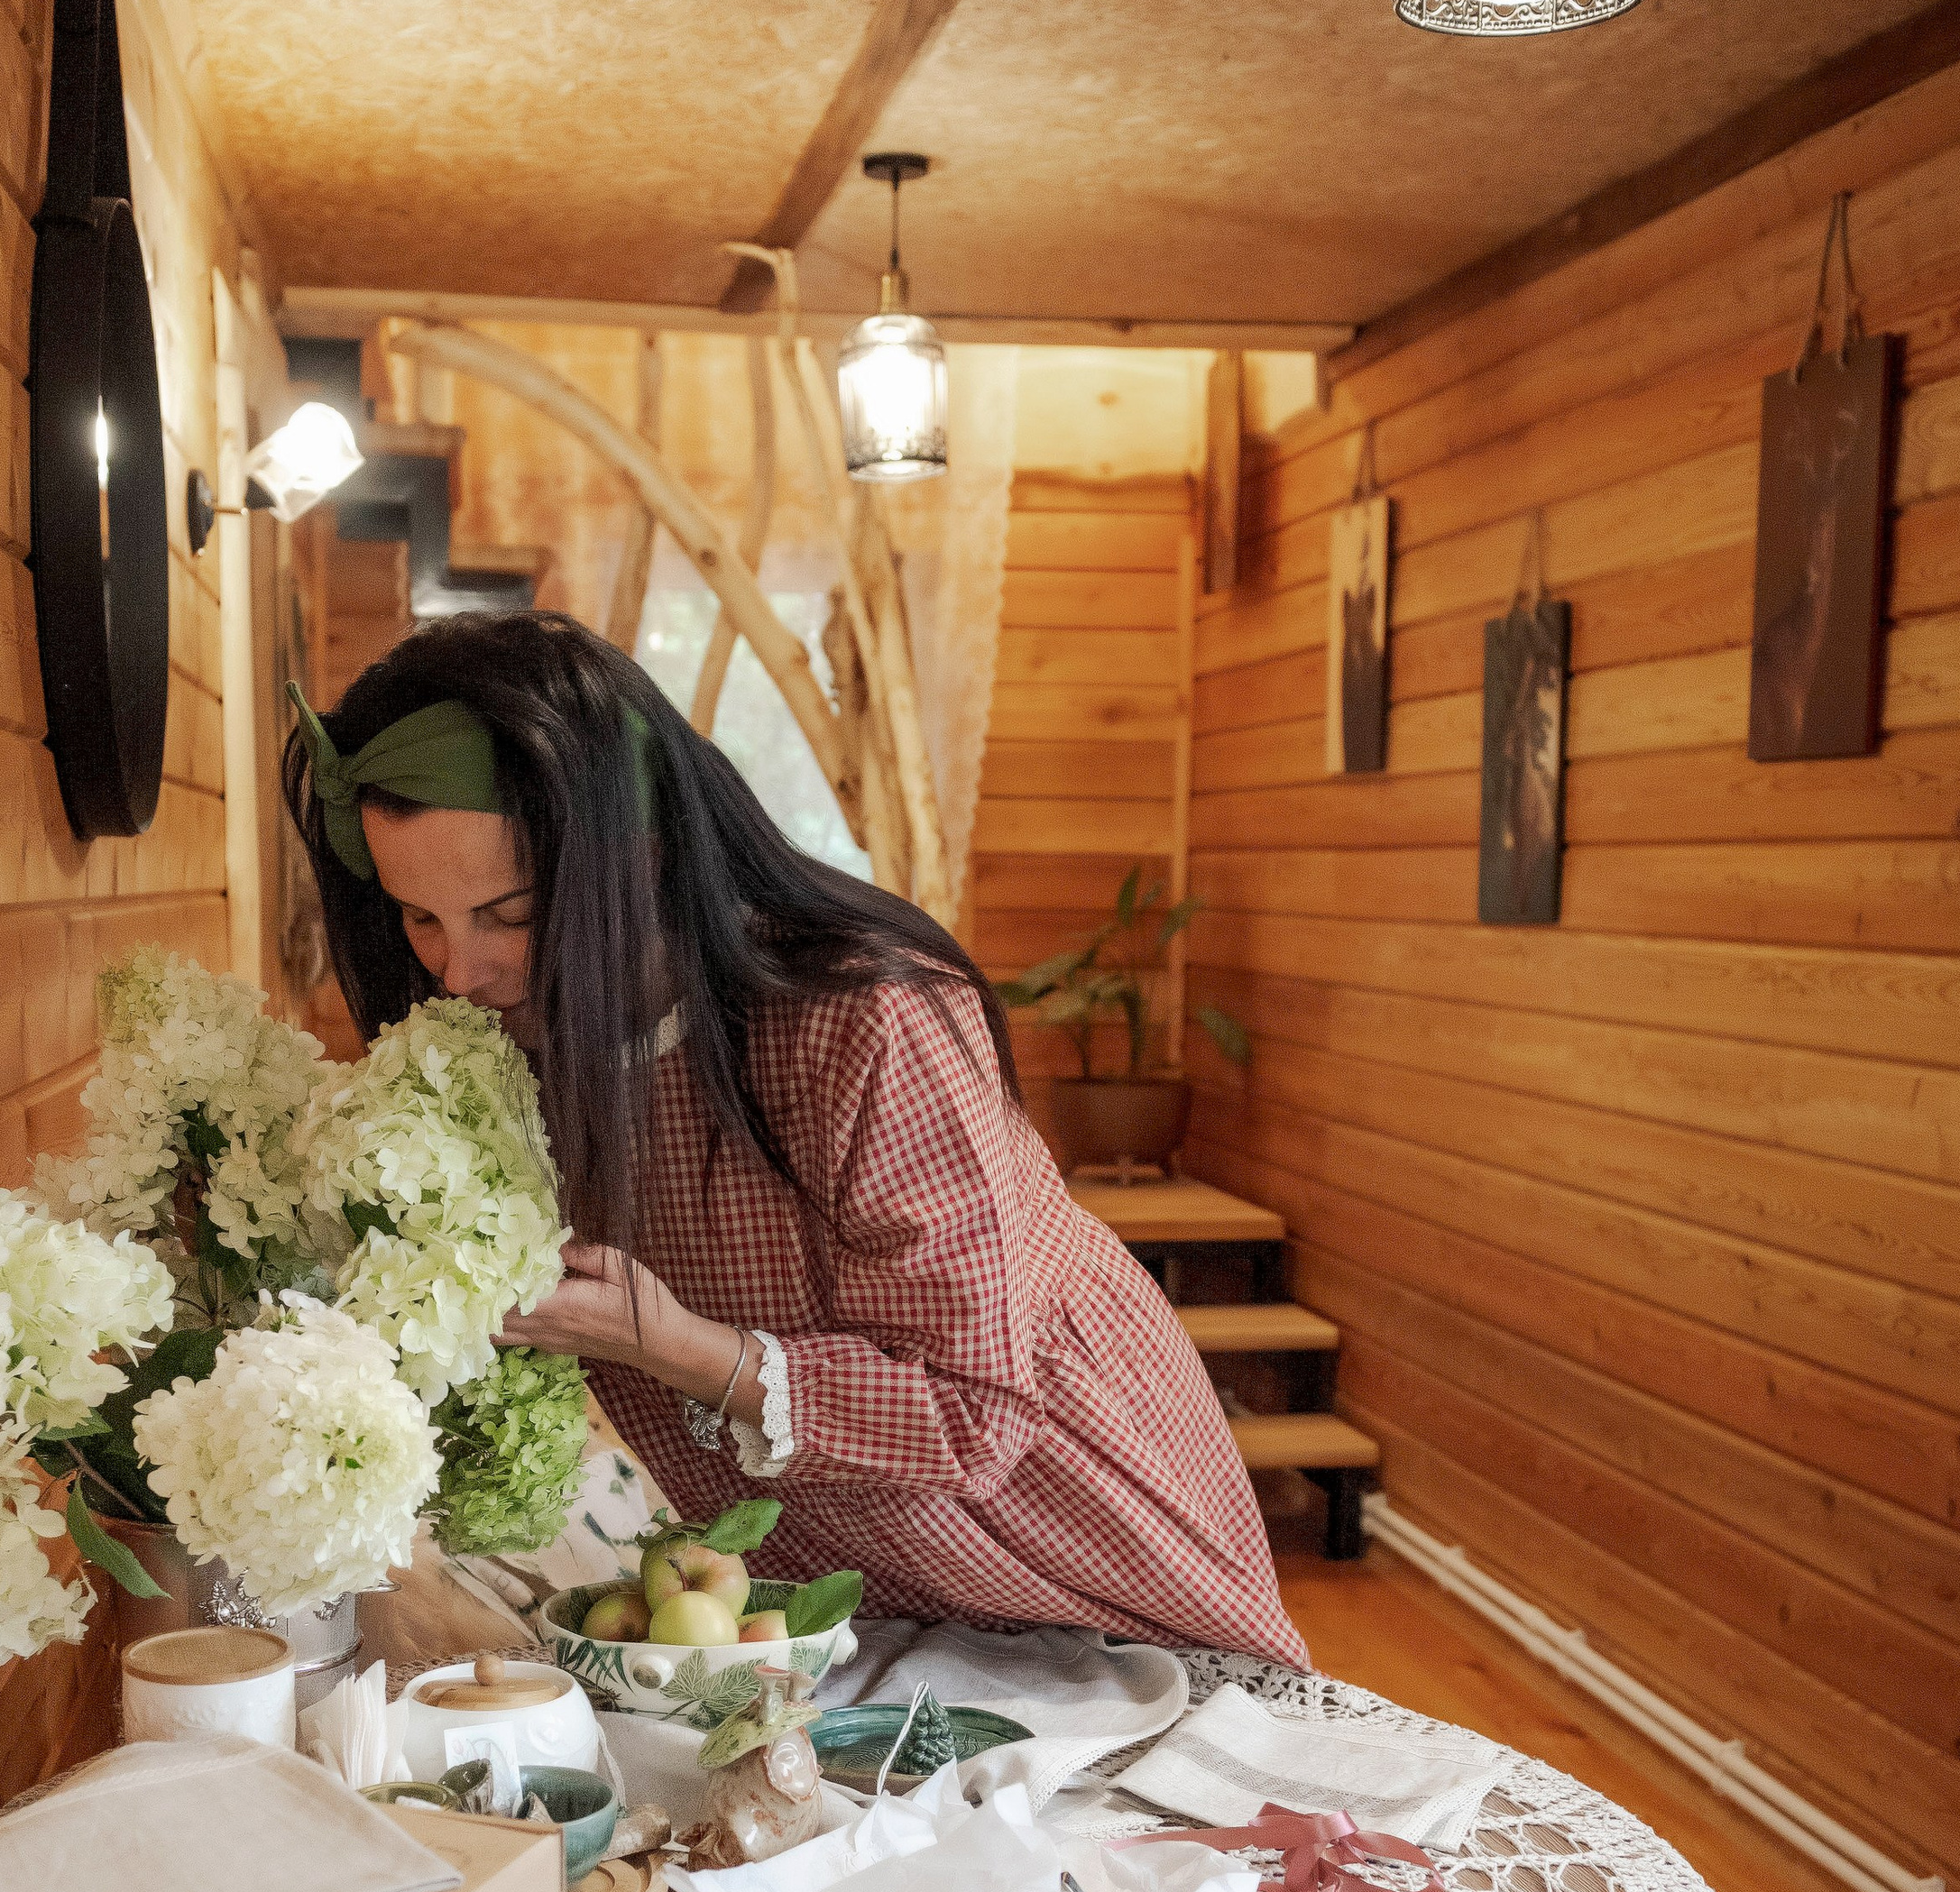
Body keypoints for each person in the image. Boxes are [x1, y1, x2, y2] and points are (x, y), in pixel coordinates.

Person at [284, 613, 1306, 1664]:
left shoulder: (866, 1019)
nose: (461, 972)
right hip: (833, 1573)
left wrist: (673, 1347)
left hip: (1066, 1521)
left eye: (511, 912)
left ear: (645, 853)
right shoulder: (500, 1043)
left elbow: (974, 1414)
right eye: (422, 920)